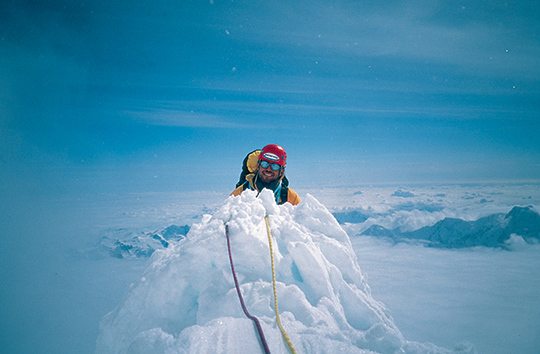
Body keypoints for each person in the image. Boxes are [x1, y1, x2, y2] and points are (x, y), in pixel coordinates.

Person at [231, 144, 301, 205]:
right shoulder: (240, 193)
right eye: (265, 164)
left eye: (274, 166)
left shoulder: (290, 198)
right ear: (258, 165)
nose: (268, 169)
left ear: (281, 171)